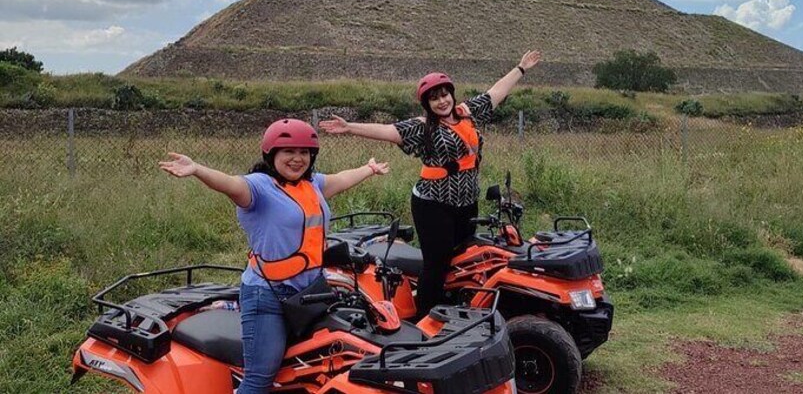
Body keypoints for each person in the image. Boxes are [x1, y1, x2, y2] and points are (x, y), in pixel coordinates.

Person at [159, 118, 389, 394]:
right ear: (271, 155)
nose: (297, 159)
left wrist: (368, 169)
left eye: (304, 152)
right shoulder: (259, 188)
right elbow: (230, 184)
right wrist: (197, 169)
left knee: (317, 363)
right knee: (260, 378)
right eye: (288, 152)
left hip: (311, 291)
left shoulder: (312, 184)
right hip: (267, 295)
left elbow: (340, 180)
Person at [319, 50, 541, 317]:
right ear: (427, 104)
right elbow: (389, 131)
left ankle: (455, 306)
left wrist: (521, 68)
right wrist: (350, 127)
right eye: (434, 99)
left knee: (463, 257)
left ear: (452, 94)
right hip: (433, 205)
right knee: (437, 264)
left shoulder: (468, 114)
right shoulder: (422, 127)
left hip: (467, 203)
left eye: (444, 94)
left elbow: (496, 92)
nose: (441, 101)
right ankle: (426, 318)